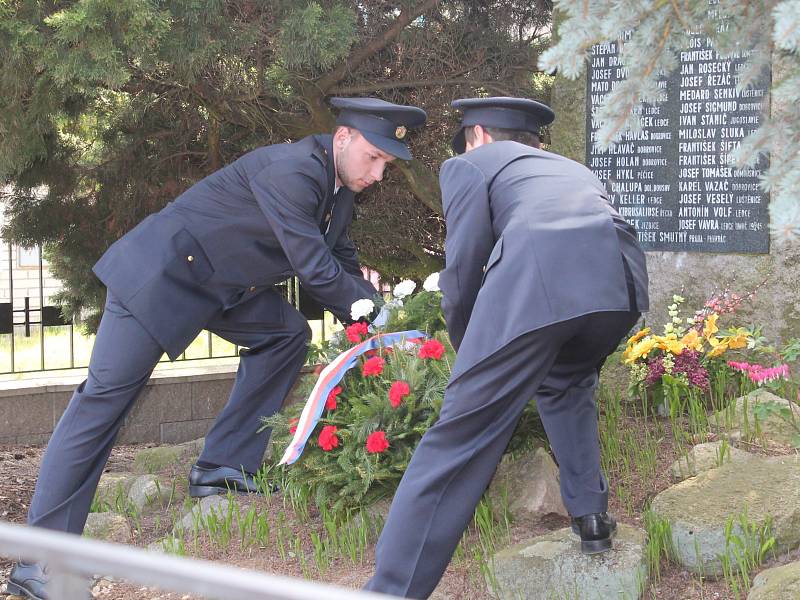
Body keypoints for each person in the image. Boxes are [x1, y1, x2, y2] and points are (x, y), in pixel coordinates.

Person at [7, 97, 426, 600]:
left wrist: (375, 309)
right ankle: (40, 561)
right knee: (101, 403)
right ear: (343, 138)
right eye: (374, 158)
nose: (379, 173)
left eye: (387, 163)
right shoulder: (294, 171)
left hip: (219, 288)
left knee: (285, 334)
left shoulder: (338, 191)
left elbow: (341, 258)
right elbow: (314, 267)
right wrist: (376, 316)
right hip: (159, 278)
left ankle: (223, 466)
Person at [364, 97, 648, 599]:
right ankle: (592, 518)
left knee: (459, 436)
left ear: (477, 135)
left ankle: (391, 591)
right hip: (619, 282)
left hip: (540, 275)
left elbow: (464, 265)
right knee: (566, 382)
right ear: (533, 141)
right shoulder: (570, 168)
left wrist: (468, 346)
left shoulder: (469, 164)